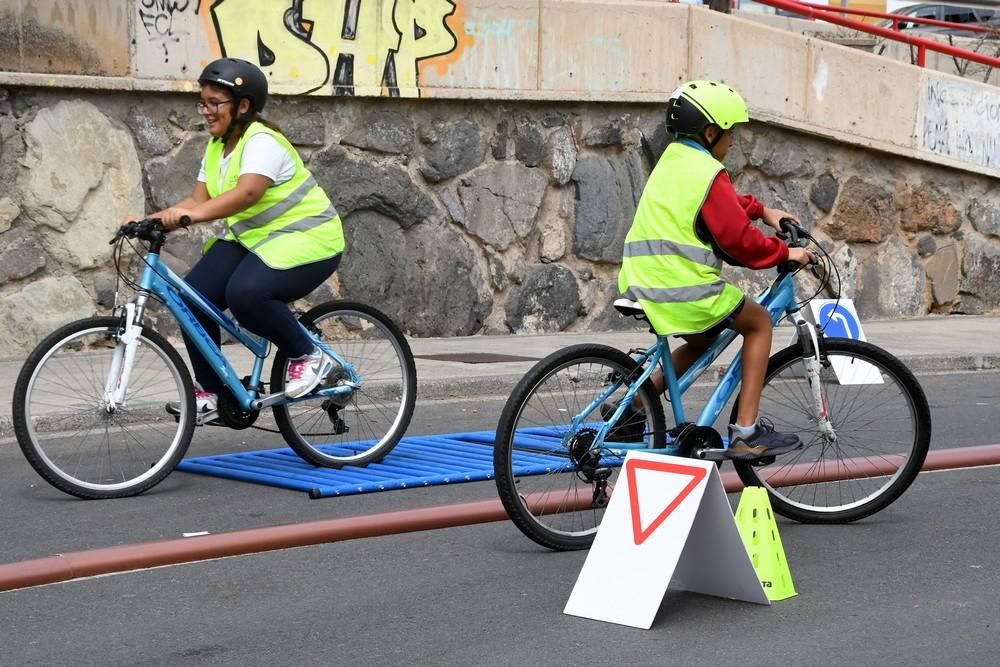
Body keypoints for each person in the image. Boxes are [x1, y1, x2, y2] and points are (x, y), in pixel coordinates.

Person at [123, 57, 345, 421]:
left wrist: (190, 217)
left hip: (309, 237)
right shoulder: (216, 147)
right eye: (203, 102)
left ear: (243, 106)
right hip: (258, 240)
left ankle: (309, 356)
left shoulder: (262, 142)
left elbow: (246, 195)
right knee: (193, 297)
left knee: (245, 293)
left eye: (215, 103)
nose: (206, 111)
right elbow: (197, 200)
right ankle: (213, 391)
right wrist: (149, 221)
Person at [613, 80, 816, 459]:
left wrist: (761, 210)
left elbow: (722, 204)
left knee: (703, 339)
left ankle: (635, 408)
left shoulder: (674, 160)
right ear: (710, 132)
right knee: (758, 323)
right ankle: (746, 433)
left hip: (642, 279)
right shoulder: (708, 171)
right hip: (681, 286)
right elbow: (738, 242)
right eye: (730, 132)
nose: (733, 141)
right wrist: (784, 253)